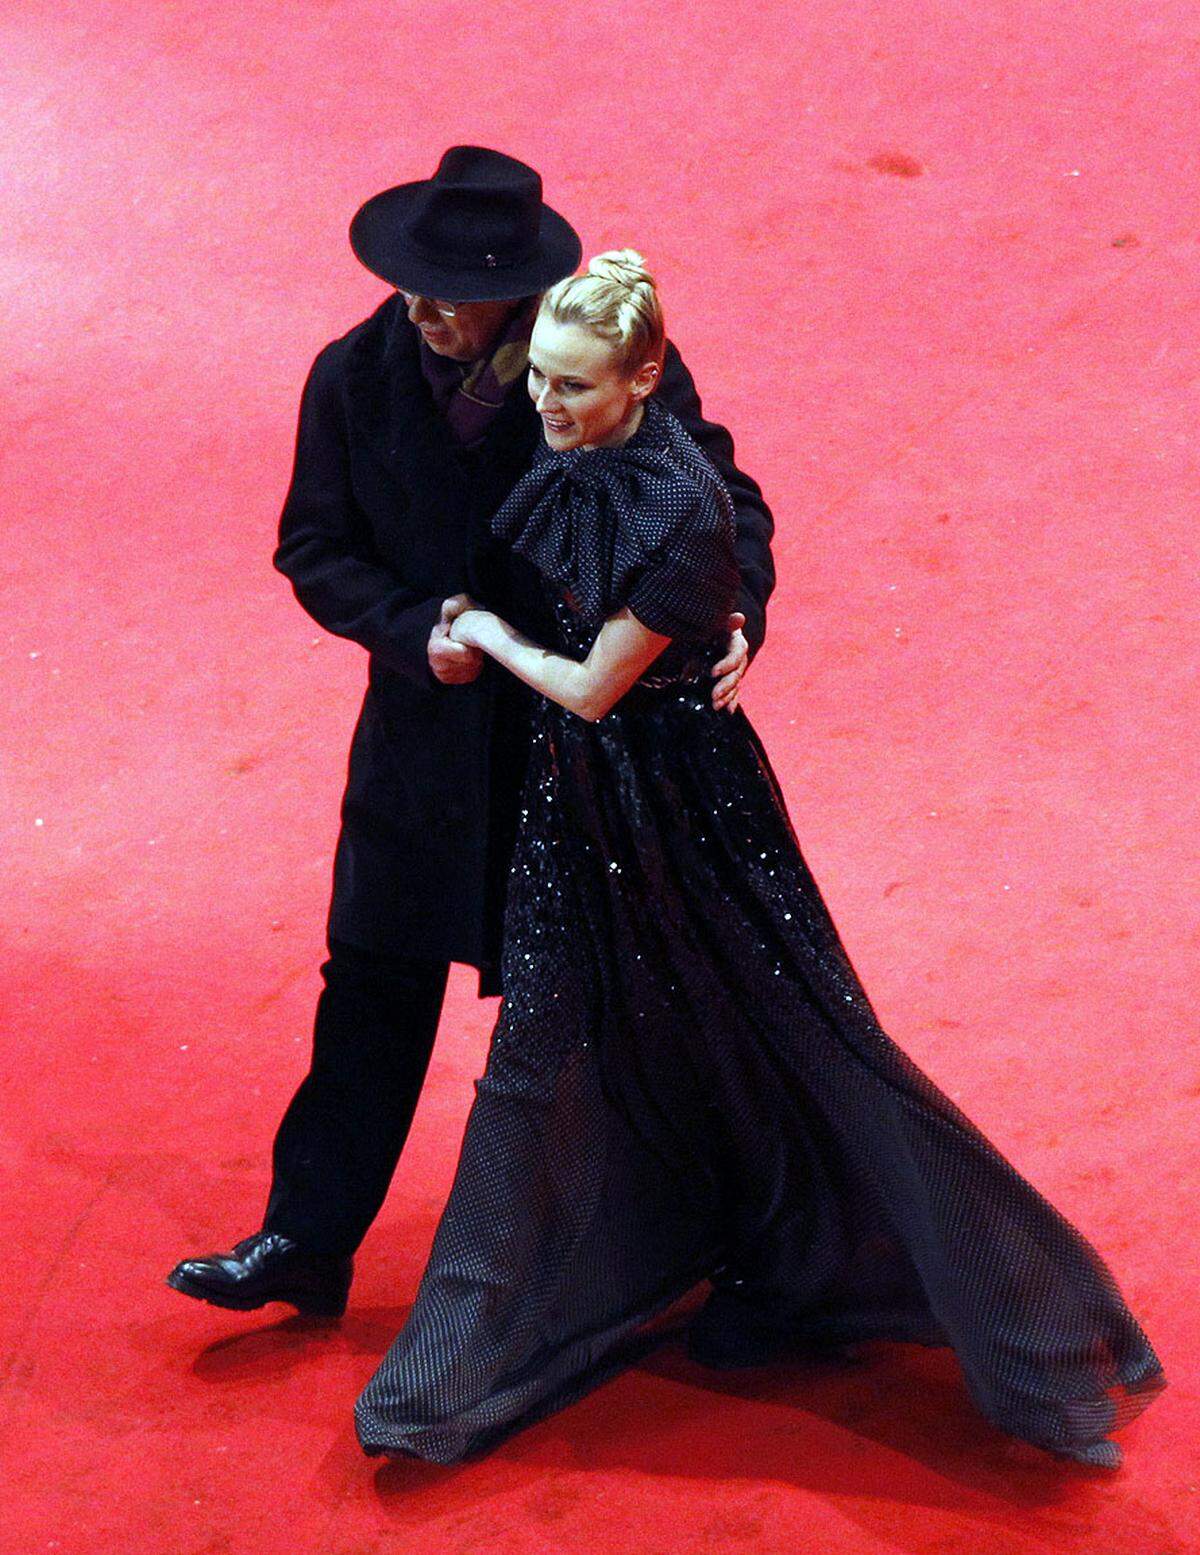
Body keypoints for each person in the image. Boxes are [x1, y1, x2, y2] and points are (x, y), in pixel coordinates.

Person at [353, 251, 1165, 1468]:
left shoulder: (680, 510)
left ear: (646, 379)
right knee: (554, 1042)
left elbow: (583, 689)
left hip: (682, 805)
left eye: (575, 387)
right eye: (543, 384)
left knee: (803, 1031)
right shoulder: (573, 452)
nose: (548, 408)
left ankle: (1021, 1312)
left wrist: (481, 630)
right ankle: (512, 1334)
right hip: (579, 805)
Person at [165, 149, 776, 1317]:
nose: (421, 306)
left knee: (627, 1001)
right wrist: (409, 630)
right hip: (423, 748)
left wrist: (734, 599)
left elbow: (719, 499)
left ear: (515, 287)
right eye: (410, 282)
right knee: (372, 983)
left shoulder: (594, 365)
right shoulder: (351, 378)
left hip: (585, 750)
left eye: (448, 288)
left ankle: (718, 1238)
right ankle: (305, 1237)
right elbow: (314, 548)